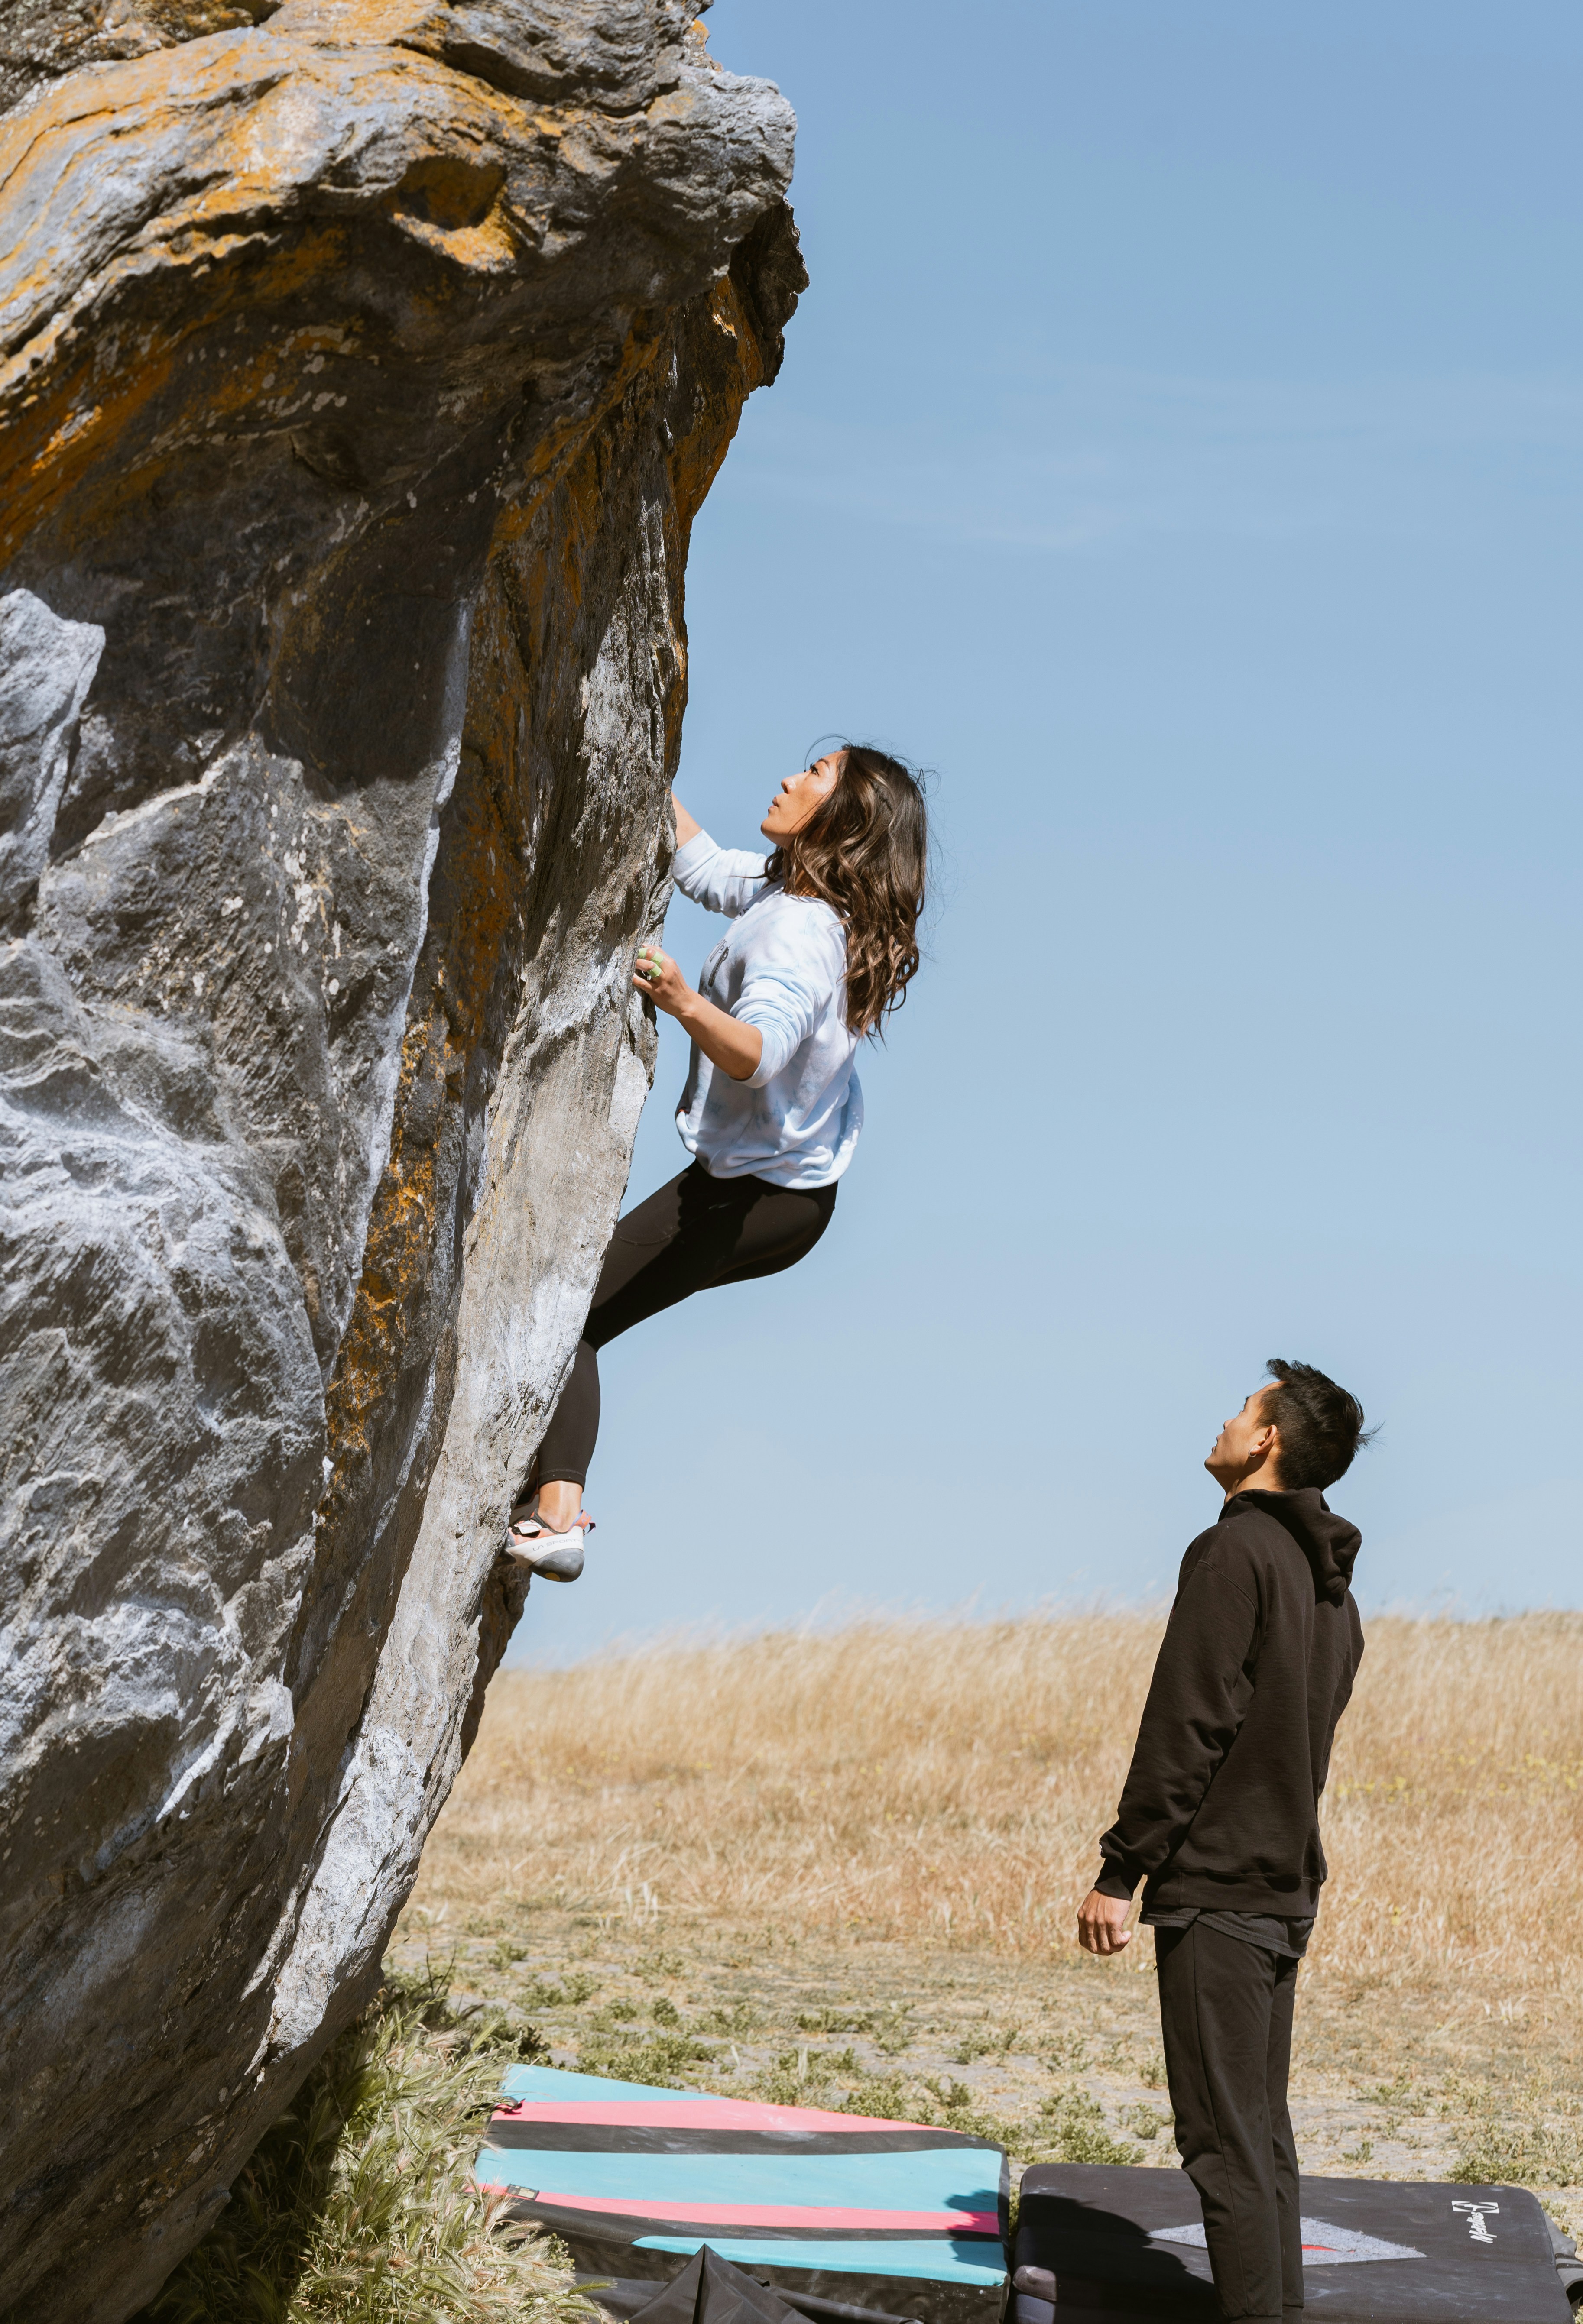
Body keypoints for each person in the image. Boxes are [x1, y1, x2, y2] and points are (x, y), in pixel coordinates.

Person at [503, 742, 928, 1581]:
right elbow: (700, 868)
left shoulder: (803, 934)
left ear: (845, 819)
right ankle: (543, 1501)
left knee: (569, 1317)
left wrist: (683, 1001)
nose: (787, 777)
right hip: (764, 1187)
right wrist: (630, 755)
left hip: (758, 1199)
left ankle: (556, 1519)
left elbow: (758, 1053)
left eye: (814, 775)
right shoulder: (786, 892)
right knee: (580, 1312)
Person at [1077, 1359, 1375, 2324]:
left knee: (1223, 2144)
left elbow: (1189, 1720)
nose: (1223, 1424)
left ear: (1268, 1443)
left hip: (1220, 1891)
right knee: (1262, 2139)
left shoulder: (1233, 1552)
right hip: (1283, 1888)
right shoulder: (1334, 1590)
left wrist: (1125, 1868)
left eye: (1241, 1412)